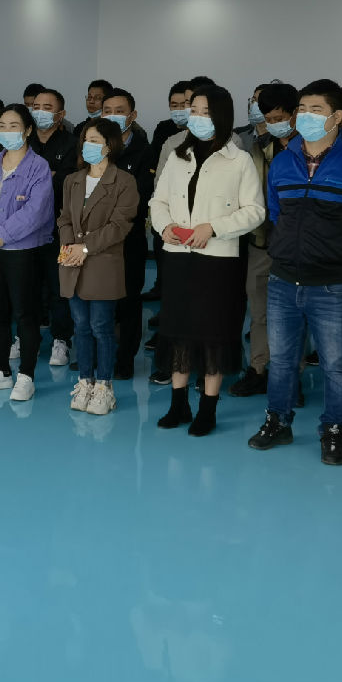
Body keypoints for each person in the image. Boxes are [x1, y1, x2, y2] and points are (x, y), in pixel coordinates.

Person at [247, 81, 342, 463]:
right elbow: (276, 214)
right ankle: (278, 421)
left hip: (333, 284)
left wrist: (336, 253)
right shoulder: (283, 162)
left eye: (316, 110)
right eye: (302, 109)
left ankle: (334, 430)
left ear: (336, 117)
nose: (305, 116)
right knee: (282, 360)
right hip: (283, 280)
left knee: (337, 363)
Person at [150, 84, 265, 435]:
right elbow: (157, 201)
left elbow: (255, 211)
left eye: (205, 111)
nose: (197, 117)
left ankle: (208, 409)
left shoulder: (238, 160)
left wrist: (214, 227)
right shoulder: (177, 156)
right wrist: (164, 226)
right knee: (178, 332)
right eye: (194, 110)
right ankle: (178, 403)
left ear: (222, 116)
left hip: (218, 262)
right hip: (178, 257)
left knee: (213, 334)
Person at [0, 107, 55, 401]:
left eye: (14, 125)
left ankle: (26, 376)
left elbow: (36, 211)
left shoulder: (38, 167)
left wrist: (2, 235)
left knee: (25, 314)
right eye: (3, 125)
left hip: (22, 251)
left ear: (28, 130)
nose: (7, 131)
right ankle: (1, 370)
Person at [58, 118, 139, 415]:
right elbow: (64, 218)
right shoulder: (73, 180)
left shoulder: (124, 181)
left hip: (102, 262)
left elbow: (119, 225)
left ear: (109, 145)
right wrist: (70, 246)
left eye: (94, 140)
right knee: (80, 326)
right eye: (85, 140)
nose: (87, 145)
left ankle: (104, 386)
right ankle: (85, 382)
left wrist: (85, 248)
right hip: (72, 262)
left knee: (101, 327)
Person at [230, 82, 299, 398]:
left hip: (297, 247)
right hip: (261, 241)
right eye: (268, 119)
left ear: (295, 114)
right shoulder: (256, 148)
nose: (273, 124)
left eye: (279, 118)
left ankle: (291, 377)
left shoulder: (309, 150)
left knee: (293, 315)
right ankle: (258, 369)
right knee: (259, 312)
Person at [102, 89, 155, 380]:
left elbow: (140, 195)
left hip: (128, 238)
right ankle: (99, 355)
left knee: (128, 300)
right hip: (96, 240)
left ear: (132, 115)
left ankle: (125, 360)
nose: (112, 116)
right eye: (107, 111)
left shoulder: (145, 151)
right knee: (98, 301)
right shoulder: (92, 148)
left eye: (119, 111)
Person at [28, 88, 79, 366]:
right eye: (36, 106)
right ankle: (28, 337)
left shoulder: (72, 143)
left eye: (47, 107)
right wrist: (48, 176)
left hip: (60, 226)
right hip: (26, 227)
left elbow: (69, 182)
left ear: (61, 114)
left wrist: (37, 179)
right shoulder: (23, 141)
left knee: (60, 284)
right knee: (29, 285)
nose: (40, 112)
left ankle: (61, 339)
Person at [150, 79, 193, 153]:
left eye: (183, 105)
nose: (179, 110)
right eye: (175, 105)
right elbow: (154, 157)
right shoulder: (163, 128)